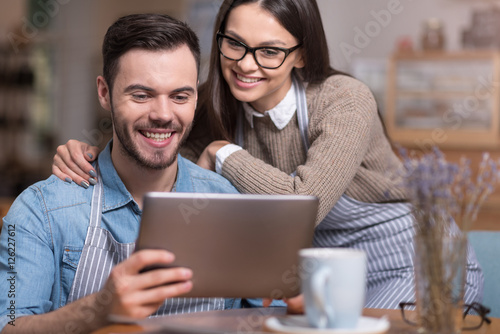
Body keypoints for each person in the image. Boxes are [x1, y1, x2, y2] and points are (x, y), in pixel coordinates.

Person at [51, 0, 483, 309]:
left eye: (270, 51)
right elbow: (150, 141)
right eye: (234, 43)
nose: (245, 64)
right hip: (317, 273)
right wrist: (88, 152)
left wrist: (222, 151)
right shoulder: (210, 104)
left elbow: (303, 205)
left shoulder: (345, 99)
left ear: (302, 54)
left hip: (412, 260)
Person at [0, 13, 263, 334]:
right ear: (104, 93)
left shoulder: (229, 203)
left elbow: (268, 315)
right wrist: (98, 309)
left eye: (180, 96)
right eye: (141, 95)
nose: (163, 115)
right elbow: (7, 324)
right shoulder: (38, 211)